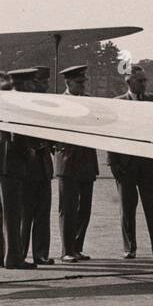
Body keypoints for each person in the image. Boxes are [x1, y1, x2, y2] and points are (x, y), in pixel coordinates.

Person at [109, 65, 153, 259]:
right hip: (125, 165)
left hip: (149, 164)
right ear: (129, 82)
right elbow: (111, 135)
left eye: (145, 80)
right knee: (127, 209)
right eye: (140, 81)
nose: (144, 84)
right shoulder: (117, 103)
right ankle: (130, 248)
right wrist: (113, 163)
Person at [0, 69, 39, 269]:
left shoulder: (5, 99)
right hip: (11, 162)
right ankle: (13, 258)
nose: (34, 86)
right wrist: (30, 153)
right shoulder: (19, 102)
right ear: (25, 84)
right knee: (12, 212)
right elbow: (17, 135)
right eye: (32, 82)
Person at [55, 65, 97, 262]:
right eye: (78, 83)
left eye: (83, 82)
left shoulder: (90, 102)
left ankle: (77, 247)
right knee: (68, 208)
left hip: (87, 161)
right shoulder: (59, 103)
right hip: (68, 161)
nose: (82, 86)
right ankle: (67, 250)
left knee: (84, 208)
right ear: (68, 83)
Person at [22, 65, 54, 264]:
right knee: (26, 214)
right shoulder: (24, 105)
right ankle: (20, 252)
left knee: (43, 214)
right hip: (28, 166)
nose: (47, 87)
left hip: (43, 166)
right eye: (42, 83)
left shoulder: (48, 105)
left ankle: (41, 254)